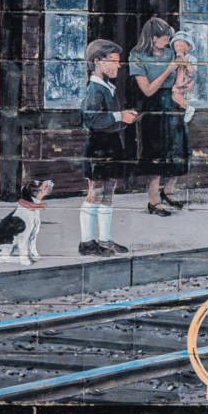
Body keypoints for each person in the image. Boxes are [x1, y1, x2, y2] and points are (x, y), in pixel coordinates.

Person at [80, 40, 140, 256]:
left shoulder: (108, 87)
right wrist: (118, 116)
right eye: (113, 61)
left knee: (108, 193)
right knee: (95, 192)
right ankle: (87, 241)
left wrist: (125, 118)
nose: (118, 66)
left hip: (112, 144)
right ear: (97, 61)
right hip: (98, 146)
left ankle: (105, 239)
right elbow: (89, 119)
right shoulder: (94, 89)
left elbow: (109, 119)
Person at [129, 18, 189, 217]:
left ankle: (168, 191)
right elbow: (147, 90)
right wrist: (169, 69)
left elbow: (185, 78)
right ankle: (153, 200)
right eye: (164, 39)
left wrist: (187, 83)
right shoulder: (137, 56)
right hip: (154, 107)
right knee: (155, 153)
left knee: (178, 150)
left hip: (174, 105)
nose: (168, 42)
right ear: (153, 39)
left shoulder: (172, 52)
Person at [169, 30, 201, 124]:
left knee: (175, 95)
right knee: (176, 96)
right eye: (176, 46)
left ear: (189, 47)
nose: (178, 48)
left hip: (186, 81)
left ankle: (189, 108)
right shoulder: (176, 57)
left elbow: (192, 71)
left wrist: (183, 59)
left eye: (181, 46)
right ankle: (186, 108)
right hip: (178, 81)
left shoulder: (191, 58)